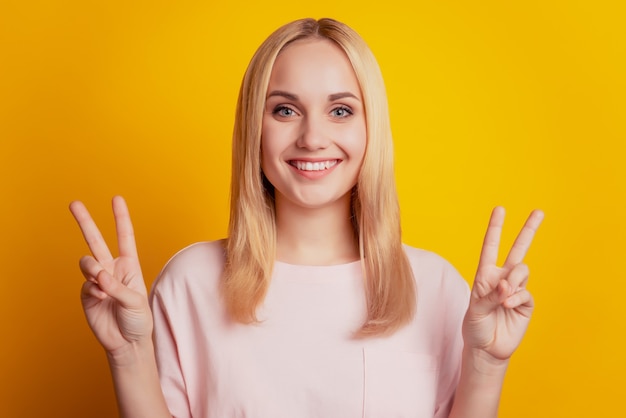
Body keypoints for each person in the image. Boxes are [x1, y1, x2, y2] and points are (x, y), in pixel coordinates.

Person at [70, 17, 544, 418]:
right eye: (285, 110)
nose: (313, 137)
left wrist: (485, 363)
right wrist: (127, 353)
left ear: (370, 129)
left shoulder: (436, 286)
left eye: (340, 110)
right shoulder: (190, 282)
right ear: (253, 128)